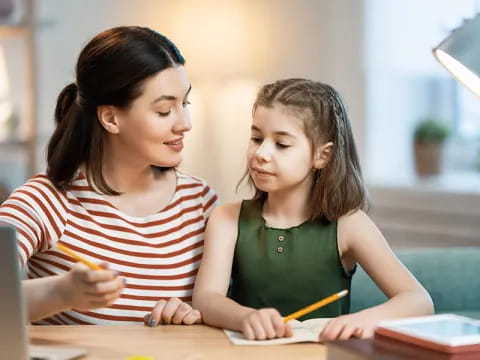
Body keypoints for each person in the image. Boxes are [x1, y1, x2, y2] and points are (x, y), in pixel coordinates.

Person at [0, 26, 218, 326]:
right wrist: (61, 292)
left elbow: (227, 305)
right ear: (111, 118)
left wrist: (193, 315)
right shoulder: (46, 201)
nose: (185, 123)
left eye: (185, 104)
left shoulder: (199, 202)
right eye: (165, 110)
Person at [192, 78, 433, 341]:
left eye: (282, 144)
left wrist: (363, 319)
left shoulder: (350, 224)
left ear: (323, 155)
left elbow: (419, 300)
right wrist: (245, 317)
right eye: (256, 138)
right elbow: (206, 299)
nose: (261, 153)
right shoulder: (226, 218)